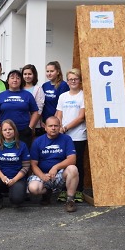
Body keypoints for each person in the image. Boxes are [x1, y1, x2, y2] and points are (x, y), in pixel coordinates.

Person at [27, 116, 79, 213]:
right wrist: (42, 176)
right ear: (45, 127)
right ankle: (47, 192)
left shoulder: (66, 139)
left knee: (73, 169)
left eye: (56, 125)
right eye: (50, 126)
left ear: (60, 127)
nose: (53, 128)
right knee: (33, 188)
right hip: (42, 174)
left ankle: (70, 200)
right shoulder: (38, 141)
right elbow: (33, 164)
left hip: (59, 174)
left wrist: (56, 167)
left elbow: (72, 159)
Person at [55, 68, 87, 203]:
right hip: (63, 136)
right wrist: (58, 127)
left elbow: (81, 117)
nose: (73, 81)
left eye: (76, 79)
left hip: (78, 135)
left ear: (80, 81)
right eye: (70, 79)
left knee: (77, 163)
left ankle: (78, 190)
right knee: (63, 164)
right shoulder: (63, 96)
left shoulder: (83, 95)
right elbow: (58, 114)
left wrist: (66, 128)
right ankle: (64, 190)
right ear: (67, 81)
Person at [0, 119, 30, 209]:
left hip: (17, 179)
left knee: (16, 201)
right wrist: (2, 177)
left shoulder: (22, 145)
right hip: (2, 178)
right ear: (2, 132)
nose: (7, 132)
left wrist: (14, 179)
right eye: (5, 130)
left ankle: (14, 193)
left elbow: (26, 166)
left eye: (10, 129)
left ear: (14, 131)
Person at [0, 70, 39, 149]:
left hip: (24, 131)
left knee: (23, 156)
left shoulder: (27, 95)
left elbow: (35, 112)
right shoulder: (1, 96)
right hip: (5, 132)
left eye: (18, 78)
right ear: (8, 81)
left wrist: (30, 127)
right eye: (12, 78)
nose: (15, 80)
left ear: (21, 81)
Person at [22, 64, 45, 136]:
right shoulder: (19, 88)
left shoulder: (38, 89)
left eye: (29, 74)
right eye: (25, 74)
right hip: (21, 123)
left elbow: (39, 109)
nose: (27, 76)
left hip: (34, 125)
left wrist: (31, 126)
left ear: (34, 75)